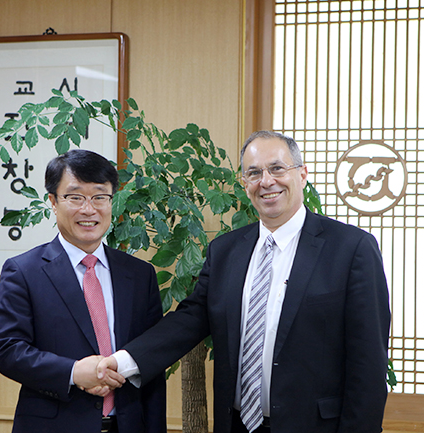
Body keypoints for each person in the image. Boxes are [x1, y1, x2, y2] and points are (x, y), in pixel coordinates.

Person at [98, 131, 391, 433]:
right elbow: (190, 320)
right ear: (244, 183)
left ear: (302, 174)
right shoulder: (226, 251)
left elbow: (368, 362)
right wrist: (124, 362)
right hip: (236, 424)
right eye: (254, 173)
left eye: (277, 168)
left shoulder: (351, 248)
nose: (266, 181)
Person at [0, 149, 166, 433]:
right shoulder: (24, 271)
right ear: (53, 201)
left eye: (99, 197)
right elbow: (9, 351)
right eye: (75, 197)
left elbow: (152, 357)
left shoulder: (139, 274)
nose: (89, 209)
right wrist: (73, 372)